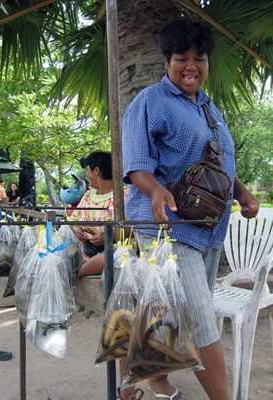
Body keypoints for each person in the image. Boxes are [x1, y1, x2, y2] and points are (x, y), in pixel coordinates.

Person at [121, 18, 259, 400]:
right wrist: (155, 190)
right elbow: (136, 164)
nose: (191, 66)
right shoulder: (149, 101)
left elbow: (219, 164)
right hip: (170, 226)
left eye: (199, 58)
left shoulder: (210, 109)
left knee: (163, 310)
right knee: (200, 320)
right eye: (182, 57)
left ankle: (141, 382)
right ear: (167, 60)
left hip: (209, 228)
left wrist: (243, 193)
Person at [68, 151, 127, 279]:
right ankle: (79, 268)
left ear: (96, 170)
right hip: (85, 249)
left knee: (109, 257)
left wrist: (108, 236)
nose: (86, 175)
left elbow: (134, 228)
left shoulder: (125, 195)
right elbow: (73, 219)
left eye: (87, 170)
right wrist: (76, 229)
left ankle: (75, 274)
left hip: (113, 250)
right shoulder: (89, 195)